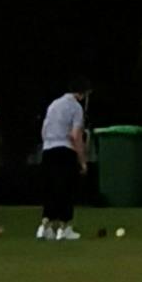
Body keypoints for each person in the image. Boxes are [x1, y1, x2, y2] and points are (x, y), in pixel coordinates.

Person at [37, 82, 88, 241]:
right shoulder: (76, 108)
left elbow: (43, 130)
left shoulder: (53, 104)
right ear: (82, 93)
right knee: (65, 189)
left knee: (50, 188)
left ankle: (44, 226)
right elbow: (75, 135)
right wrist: (82, 160)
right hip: (65, 150)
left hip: (48, 149)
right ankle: (63, 227)